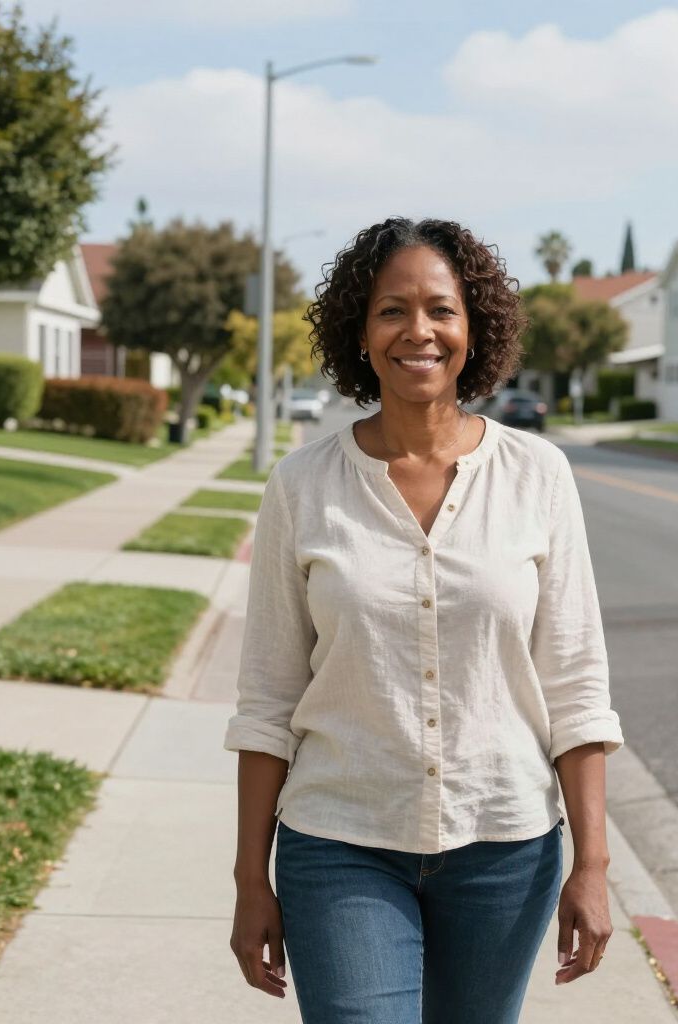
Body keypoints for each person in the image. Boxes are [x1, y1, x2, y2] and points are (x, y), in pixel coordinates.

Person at [226, 217, 624, 1023]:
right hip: (340, 842)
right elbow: (268, 700)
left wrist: (593, 864)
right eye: (391, 311)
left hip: (505, 846)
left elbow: (576, 685)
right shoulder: (303, 486)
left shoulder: (536, 475)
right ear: (359, 333)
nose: (419, 332)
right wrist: (248, 881)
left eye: (441, 309)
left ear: (473, 328)